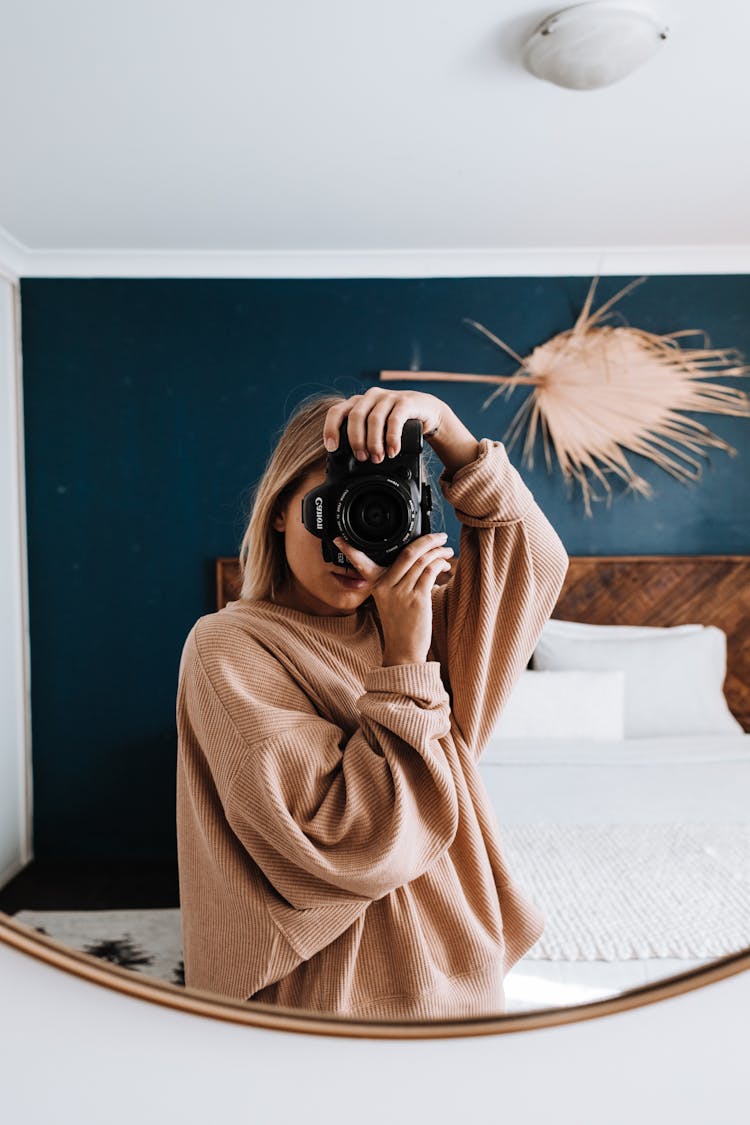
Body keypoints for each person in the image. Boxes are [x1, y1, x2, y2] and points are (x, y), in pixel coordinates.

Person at [175, 387, 569, 1020]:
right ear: (278, 511)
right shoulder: (229, 644)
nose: (351, 538)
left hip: (458, 968)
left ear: (414, 519)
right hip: (331, 993)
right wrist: (408, 662)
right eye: (330, 509)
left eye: (381, 509)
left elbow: (534, 559)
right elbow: (346, 841)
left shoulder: (425, 617)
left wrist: (450, 433)